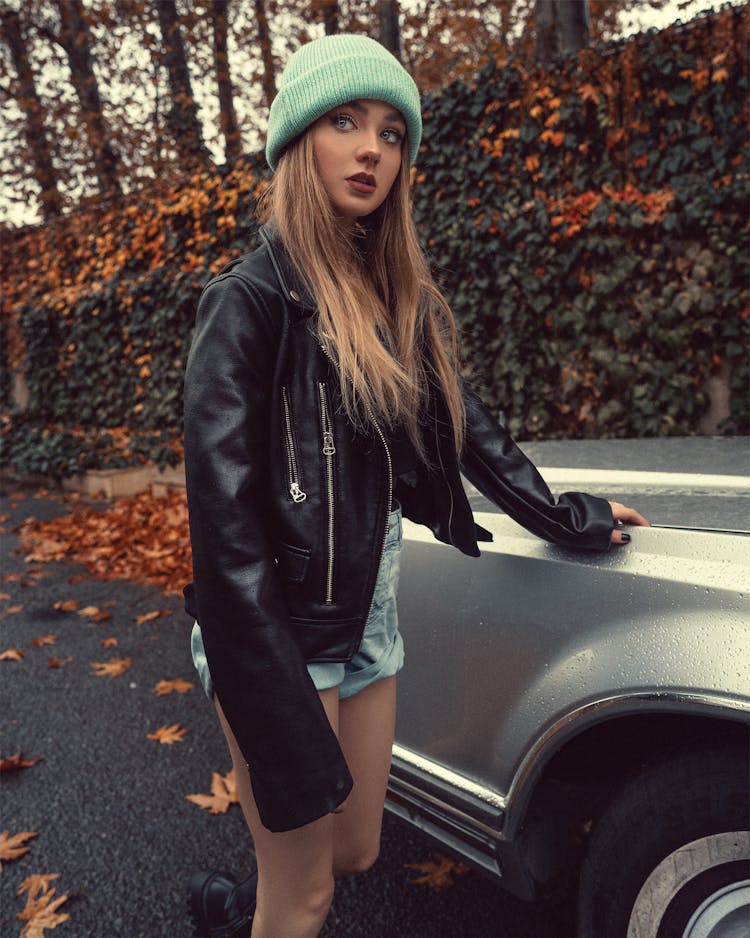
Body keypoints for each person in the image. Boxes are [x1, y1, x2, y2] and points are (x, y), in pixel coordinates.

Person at [183, 33, 649, 938]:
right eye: (346, 121)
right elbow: (224, 530)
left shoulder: (391, 294)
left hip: (369, 613)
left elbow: (469, 428)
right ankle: (259, 910)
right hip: (275, 633)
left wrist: (566, 515)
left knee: (353, 851)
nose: (372, 149)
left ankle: (232, 908)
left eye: (393, 133)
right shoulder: (247, 302)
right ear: (295, 142)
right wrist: (268, 688)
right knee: (307, 893)